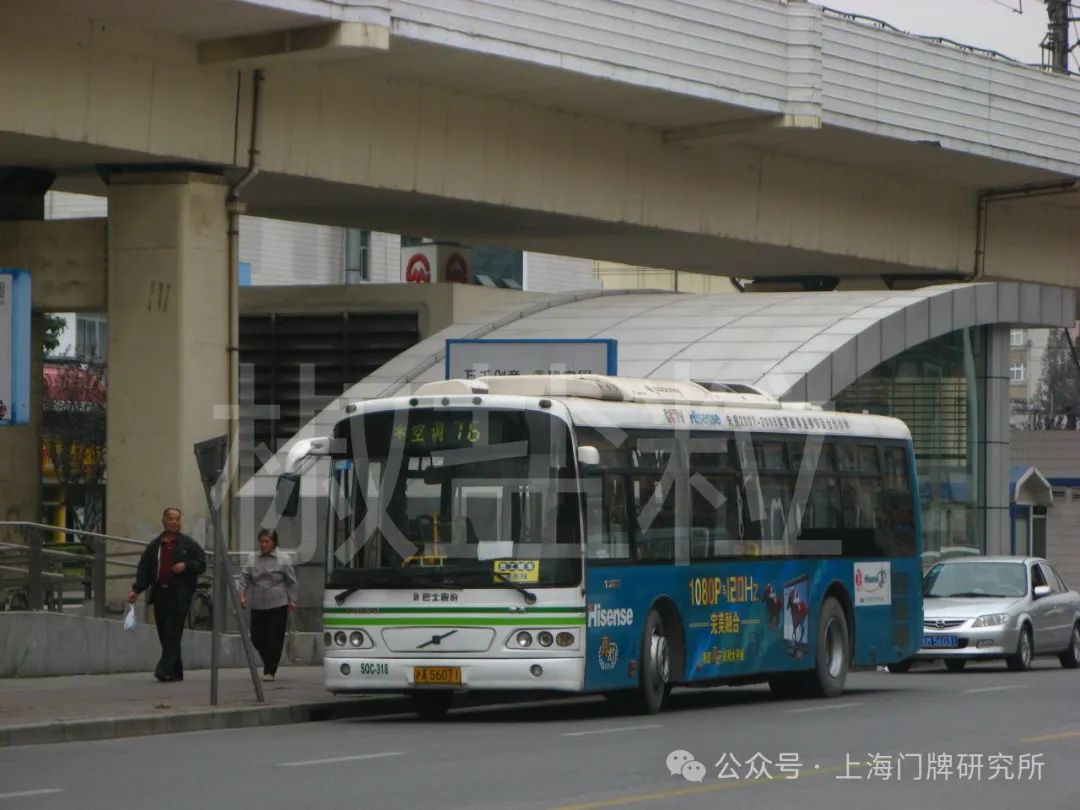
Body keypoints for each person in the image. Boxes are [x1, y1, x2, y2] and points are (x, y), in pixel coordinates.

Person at [128, 507, 207, 682]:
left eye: (177, 519)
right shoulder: (155, 546)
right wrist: (136, 589)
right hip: (160, 594)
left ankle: (162, 668)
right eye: (170, 519)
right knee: (164, 633)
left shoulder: (188, 544)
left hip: (180, 595)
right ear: (163, 521)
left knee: (172, 631)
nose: (174, 522)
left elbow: (202, 564)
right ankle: (176, 672)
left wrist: (185, 566)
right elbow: (145, 570)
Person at [240, 529, 297, 682]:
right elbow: (245, 577)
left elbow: (291, 580)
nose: (264, 544)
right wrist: (242, 595)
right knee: (257, 637)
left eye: (267, 541)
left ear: (274, 543)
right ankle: (268, 661)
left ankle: (270, 669)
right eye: (261, 541)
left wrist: (292, 599)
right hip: (258, 602)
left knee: (274, 638)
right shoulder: (253, 558)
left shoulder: (283, 559)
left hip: (278, 602)